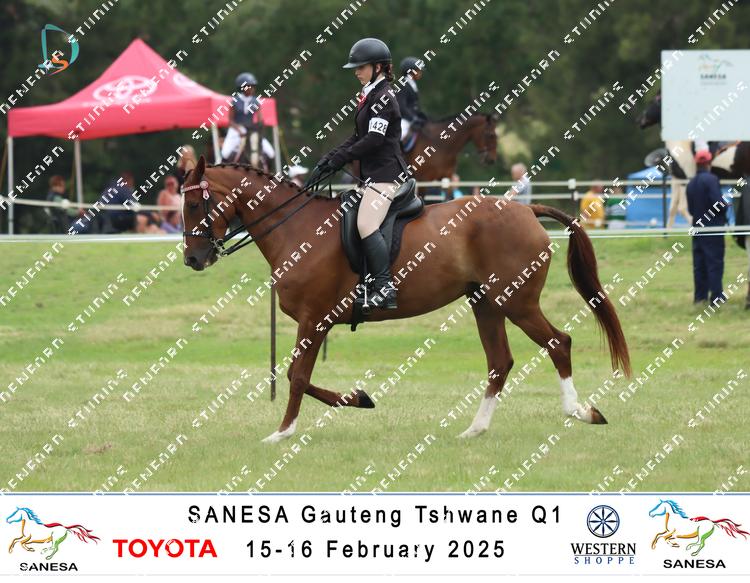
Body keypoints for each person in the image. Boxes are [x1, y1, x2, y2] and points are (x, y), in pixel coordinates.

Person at [306, 38, 408, 311]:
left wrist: (341, 158)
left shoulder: (383, 97)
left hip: (386, 175)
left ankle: (384, 288)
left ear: (378, 67)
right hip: (372, 177)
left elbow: (374, 139)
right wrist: (329, 159)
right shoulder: (369, 94)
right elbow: (357, 136)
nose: (356, 72)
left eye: (361, 67)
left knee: (365, 224)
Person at [686, 150, 727, 305]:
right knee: (714, 263)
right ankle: (716, 297)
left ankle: (700, 298)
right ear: (709, 163)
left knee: (699, 265)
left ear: (696, 164)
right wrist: (725, 206)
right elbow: (718, 204)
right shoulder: (712, 179)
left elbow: (691, 210)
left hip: (697, 228)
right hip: (713, 229)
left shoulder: (691, 183)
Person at [221, 73, 275, 165]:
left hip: (251, 130)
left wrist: (259, 129)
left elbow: (260, 120)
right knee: (225, 153)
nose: (252, 88)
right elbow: (230, 121)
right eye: (250, 86)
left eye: (253, 86)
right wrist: (240, 131)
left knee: (271, 153)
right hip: (236, 130)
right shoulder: (234, 101)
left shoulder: (256, 101)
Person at [396, 56, 427, 151]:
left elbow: (414, 105)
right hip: (404, 120)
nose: (420, 73)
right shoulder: (403, 85)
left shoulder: (412, 84)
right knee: (401, 136)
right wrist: (413, 118)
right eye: (418, 70)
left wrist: (420, 116)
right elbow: (401, 107)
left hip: (412, 118)